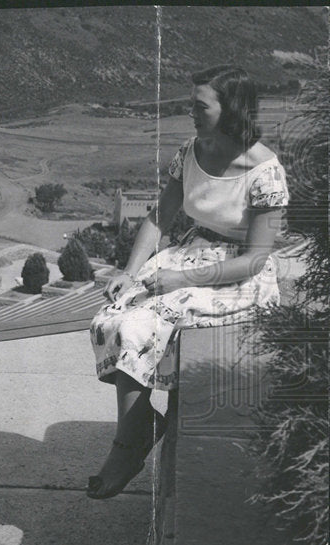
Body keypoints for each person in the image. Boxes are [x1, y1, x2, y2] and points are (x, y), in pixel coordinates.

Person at [87, 65, 288, 499]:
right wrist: (129, 271)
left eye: (200, 106)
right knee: (109, 317)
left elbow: (255, 260)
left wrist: (181, 278)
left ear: (231, 110)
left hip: (233, 274)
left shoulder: (265, 171)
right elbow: (159, 218)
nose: (191, 113)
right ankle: (141, 423)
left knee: (136, 326)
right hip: (190, 253)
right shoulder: (190, 152)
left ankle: (128, 445)